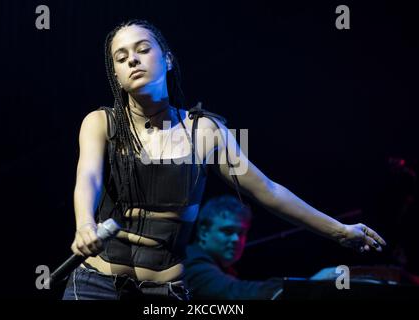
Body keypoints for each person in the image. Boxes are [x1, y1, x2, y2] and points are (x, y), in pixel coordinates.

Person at [62, 19, 386, 300]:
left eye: (143, 49)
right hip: (95, 284)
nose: (133, 60)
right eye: (121, 57)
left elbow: (267, 191)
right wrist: (84, 224)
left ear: (168, 59)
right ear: (116, 76)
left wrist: (339, 231)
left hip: (162, 292)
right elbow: (88, 178)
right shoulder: (100, 122)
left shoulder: (207, 130)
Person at [184, 195, 284, 300]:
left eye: (241, 233)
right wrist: (284, 288)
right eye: (228, 231)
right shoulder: (190, 262)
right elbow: (231, 290)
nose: (236, 239)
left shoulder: (223, 269)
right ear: (204, 232)